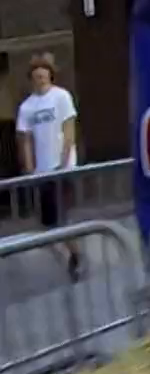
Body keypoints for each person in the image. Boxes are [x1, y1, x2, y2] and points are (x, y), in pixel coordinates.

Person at [14, 54, 81, 275]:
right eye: (36, 77)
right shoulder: (27, 107)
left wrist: (64, 160)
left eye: (43, 76)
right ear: (31, 79)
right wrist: (29, 168)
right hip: (42, 171)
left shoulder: (61, 97)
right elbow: (25, 139)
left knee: (63, 217)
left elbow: (69, 129)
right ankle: (70, 256)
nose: (40, 80)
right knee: (47, 224)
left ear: (50, 76)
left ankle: (75, 258)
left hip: (62, 167)